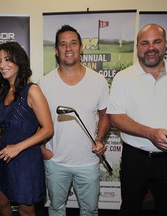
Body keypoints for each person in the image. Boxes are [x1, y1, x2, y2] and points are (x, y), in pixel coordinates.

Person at [107, 23, 167, 216]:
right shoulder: (123, 77)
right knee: (130, 209)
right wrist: (151, 134)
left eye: (156, 42)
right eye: (144, 43)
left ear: (165, 44)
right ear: (138, 47)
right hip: (135, 159)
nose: (150, 48)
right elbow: (116, 118)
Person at [39, 24, 111, 215]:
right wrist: (42, 149)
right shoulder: (44, 83)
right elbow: (36, 121)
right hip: (56, 162)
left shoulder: (98, 81)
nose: (68, 48)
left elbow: (105, 116)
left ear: (80, 48)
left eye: (73, 43)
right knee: (56, 208)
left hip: (88, 161)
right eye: (63, 44)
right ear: (56, 50)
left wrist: (100, 139)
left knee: (89, 211)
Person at [0, 41, 53, 216]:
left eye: (7, 59)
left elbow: (48, 129)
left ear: (19, 61)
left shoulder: (32, 91)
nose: (2, 65)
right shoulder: (2, 93)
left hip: (25, 160)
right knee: (0, 200)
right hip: (6, 158)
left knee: (25, 209)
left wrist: (17, 148)